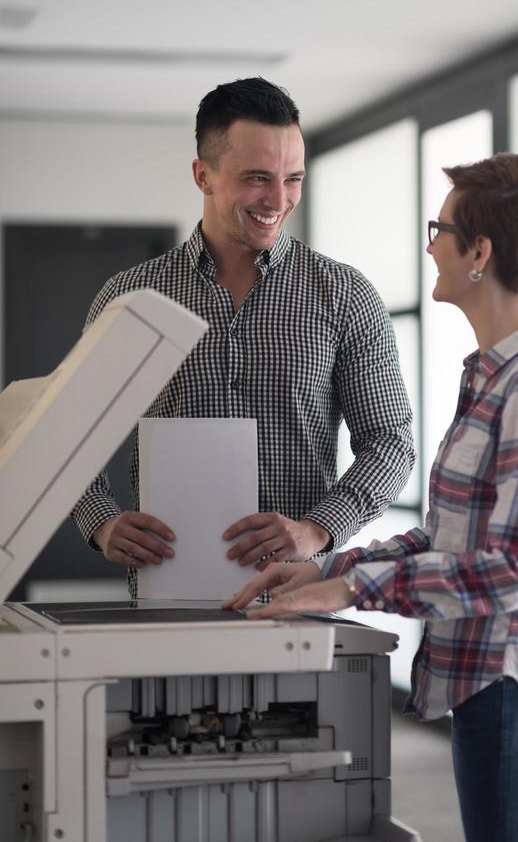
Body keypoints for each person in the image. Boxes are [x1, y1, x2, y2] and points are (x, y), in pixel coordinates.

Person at [226, 153, 518, 842]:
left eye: (441, 227)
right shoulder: (494, 379)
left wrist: (355, 591)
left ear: (479, 252)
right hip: (485, 685)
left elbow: (517, 571)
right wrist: (327, 569)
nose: (429, 243)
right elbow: (448, 539)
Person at [71, 77, 414, 598]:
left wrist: (317, 529)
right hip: (167, 605)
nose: (279, 199)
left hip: (302, 604)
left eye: (293, 178)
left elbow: (390, 442)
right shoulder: (132, 298)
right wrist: (101, 522)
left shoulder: (344, 295)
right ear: (202, 175)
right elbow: (72, 437)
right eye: (258, 178)